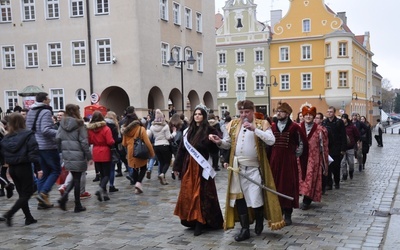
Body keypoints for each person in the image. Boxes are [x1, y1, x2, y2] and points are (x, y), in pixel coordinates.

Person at [211, 100, 285, 241]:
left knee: (256, 198)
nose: (244, 115)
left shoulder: (262, 124)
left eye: (247, 112)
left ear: (252, 111)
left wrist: (254, 129)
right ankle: (245, 229)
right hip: (237, 168)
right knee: (240, 199)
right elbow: (228, 145)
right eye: (241, 112)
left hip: (254, 169)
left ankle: (258, 219)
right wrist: (219, 142)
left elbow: (271, 140)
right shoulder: (233, 125)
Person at [173, 104, 224, 236]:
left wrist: (212, 142)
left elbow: (215, 150)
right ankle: (192, 219)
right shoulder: (188, 131)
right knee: (189, 193)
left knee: (201, 194)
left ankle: (201, 222)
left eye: (200, 114)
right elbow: (181, 150)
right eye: (195, 114)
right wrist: (177, 167)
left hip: (202, 167)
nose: (197, 116)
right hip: (189, 167)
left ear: (204, 116)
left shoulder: (210, 130)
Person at [269, 102, 308, 225]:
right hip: (275, 161)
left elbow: (302, 143)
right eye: (277, 111)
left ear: (287, 113)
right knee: (275, 185)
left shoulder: (294, 127)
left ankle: (288, 213)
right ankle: (277, 211)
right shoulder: (273, 127)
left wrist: (295, 155)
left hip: (288, 162)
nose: (278, 113)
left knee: (287, 186)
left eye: (281, 111)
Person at [1, 113, 39, 226]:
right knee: (27, 193)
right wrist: (38, 168)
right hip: (24, 166)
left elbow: (3, 154)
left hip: (12, 168)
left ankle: (28, 217)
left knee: (22, 193)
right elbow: (34, 151)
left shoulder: (6, 138)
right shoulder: (28, 134)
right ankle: (10, 213)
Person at [25, 92, 60, 209]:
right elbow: (45, 130)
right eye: (48, 98)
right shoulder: (46, 111)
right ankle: (44, 193)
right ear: (44, 100)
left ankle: (42, 202)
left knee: (43, 174)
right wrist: (59, 133)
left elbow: (28, 129)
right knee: (56, 170)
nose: (50, 99)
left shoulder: (30, 111)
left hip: (35, 146)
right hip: (47, 146)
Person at [56, 104, 93, 212]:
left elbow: (57, 138)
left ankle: (64, 198)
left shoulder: (62, 123)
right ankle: (77, 205)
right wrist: (89, 156)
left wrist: (63, 149)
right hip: (78, 154)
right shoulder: (79, 124)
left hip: (67, 153)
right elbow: (84, 142)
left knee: (74, 176)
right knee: (77, 179)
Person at [298, 106, 329, 210]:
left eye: (310, 115)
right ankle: (300, 196)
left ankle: (307, 200)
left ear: (314, 116)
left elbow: (324, 147)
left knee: (310, 179)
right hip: (300, 158)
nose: (308, 117)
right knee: (300, 178)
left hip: (313, 158)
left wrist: (325, 165)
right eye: (306, 115)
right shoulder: (298, 127)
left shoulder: (320, 130)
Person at [122, 113, 155, 194]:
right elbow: (147, 142)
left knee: (134, 168)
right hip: (140, 151)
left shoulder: (126, 130)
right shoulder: (141, 129)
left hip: (130, 152)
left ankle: (137, 187)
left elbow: (124, 143)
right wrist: (152, 153)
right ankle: (138, 183)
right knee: (143, 168)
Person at [87, 111, 115, 202]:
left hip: (96, 151)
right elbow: (110, 141)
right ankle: (101, 188)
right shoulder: (106, 128)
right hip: (105, 151)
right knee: (106, 174)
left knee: (101, 174)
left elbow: (89, 141)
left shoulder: (90, 130)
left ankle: (105, 193)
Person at [147, 109, 176, 185]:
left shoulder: (152, 127)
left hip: (156, 146)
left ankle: (162, 177)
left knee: (161, 161)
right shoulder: (165, 126)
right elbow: (168, 137)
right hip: (165, 145)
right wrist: (174, 133)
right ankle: (162, 174)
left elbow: (149, 136)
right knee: (167, 161)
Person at [321, 106, 347, 191]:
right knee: (328, 166)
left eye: (331, 112)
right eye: (328, 111)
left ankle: (337, 182)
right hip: (327, 148)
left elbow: (343, 136)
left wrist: (343, 149)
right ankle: (329, 183)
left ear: (334, 113)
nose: (329, 113)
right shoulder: (324, 122)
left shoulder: (339, 122)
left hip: (337, 148)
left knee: (336, 167)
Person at [104, 111, 121, 192]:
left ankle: (103, 186)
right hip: (111, 149)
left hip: (101, 150)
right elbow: (115, 140)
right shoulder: (114, 126)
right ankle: (111, 185)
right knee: (111, 169)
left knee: (103, 170)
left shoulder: (102, 125)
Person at [340, 114, 360, 180]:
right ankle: (344, 174)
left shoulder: (352, 127)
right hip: (342, 148)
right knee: (343, 163)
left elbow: (357, 135)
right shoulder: (339, 127)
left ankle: (351, 171)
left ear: (347, 119)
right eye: (342, 118)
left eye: (344, 118)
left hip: (350, 147)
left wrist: (353, 142)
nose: (343, 120)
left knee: (351, 162)